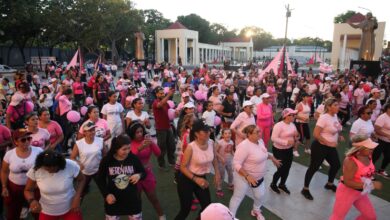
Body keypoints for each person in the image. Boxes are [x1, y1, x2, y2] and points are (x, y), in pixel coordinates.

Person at [229, 125, 281, 220]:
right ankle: (230, 217)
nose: (259, 134)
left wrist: (273, 158)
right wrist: (247, 176)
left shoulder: (260, 142)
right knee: (237, 197)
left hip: (258, 177)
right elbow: (236, 163)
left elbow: (263, 154)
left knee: (260, 195)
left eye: (259, 131)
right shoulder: (244, 146)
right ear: (249, 134)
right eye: (257, 132)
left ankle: (256, 210)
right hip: (243, 177)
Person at [175, 119, 220, 220]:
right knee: (185, 210)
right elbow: (182, 167)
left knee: (207, 207)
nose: (208, 133)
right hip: (186, 180)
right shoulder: (191, 147)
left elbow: (215, 159)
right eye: (205, 131)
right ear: (196, 134)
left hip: (201, 177)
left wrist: (217, 173)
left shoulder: (211, 143)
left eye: (208, 130)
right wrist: (196, 179)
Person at [329, 135, 381, 220]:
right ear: (360, 148)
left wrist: (370, 180)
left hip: (361, 193)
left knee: (370, 217)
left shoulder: (369, 156)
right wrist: (371, 184)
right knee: (337, 217)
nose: (372, 150)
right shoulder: (350, 161)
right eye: (369, 148)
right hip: (346, 193)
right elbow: (348, 182)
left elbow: (367, 171)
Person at [96, 134, 146, 220]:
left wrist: (139, 175)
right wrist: (106, 194)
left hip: (132, 200)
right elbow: (100, 179)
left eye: (129, 148)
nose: (127, 152)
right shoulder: (107, 160)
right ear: (116, 149)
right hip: (113, 201)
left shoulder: (133, 158)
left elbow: (144, 173)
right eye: (124, 149)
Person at [24, 150, 85, 220]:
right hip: (47, 210)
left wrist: (77, 197)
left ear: (60, 164)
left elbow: (82, 179)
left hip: (71, 207)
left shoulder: (70, 165)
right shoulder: (36, 169)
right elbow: (28, 190)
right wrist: (32, 201)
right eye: (47, 168)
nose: (50, 170)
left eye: (54, 167)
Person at [302, 98, 343, 200]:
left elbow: (336, 127)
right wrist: (329, 142)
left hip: (330, 147)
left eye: (338, 105)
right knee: (314, 167)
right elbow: (316, 134)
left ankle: (329, 184)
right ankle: (305, 189)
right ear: (329, 107)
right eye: (336, 105)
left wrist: (339, 135)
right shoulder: (324, 117)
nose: (338, 107)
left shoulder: (335, 116)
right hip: (320, 146)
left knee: (336, 164)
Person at [1, 129, 42, 220]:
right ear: (16, 142)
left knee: (38, 211)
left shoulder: (39, 151)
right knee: (13, 212)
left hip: (34, 188)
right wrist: (4, 186)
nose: (27, 141)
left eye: (29, 138)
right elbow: (4, 171)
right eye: (23, 140)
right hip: (15, 188)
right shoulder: (9, 154)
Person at [128, 123, 166, 220]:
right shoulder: (129, 143)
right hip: (133, 174)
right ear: (132, 133)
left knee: (153, 197)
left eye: (141, 131)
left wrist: (152, 143)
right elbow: (129, 159)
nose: (140, 134)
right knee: (137, 199)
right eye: (137, 132)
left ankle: (161, 216)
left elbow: (158, 153)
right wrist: (139, 148)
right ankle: (137, 216)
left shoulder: (147, 141)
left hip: (147, 173)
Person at [70, 122, 105, 200]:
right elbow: (72, 157)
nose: (92, 132)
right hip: (84, 173)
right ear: (84, 132)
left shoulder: (100, 140)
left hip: (98, 171)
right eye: (89, 130)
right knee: (80, 193)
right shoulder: (79, 143)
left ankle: (109, 208)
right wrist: (78, 163)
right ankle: (77, 207)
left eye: (93, 130)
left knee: (104, 191)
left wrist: (103, 167)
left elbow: (105, 156)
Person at [270, 108, 299, 195]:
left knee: (287, 168)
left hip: (289, 150)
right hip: (279, 150)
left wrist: (296, 137)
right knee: (281, 169)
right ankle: (273, 184)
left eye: (294, 115)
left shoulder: (292, 125)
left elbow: (295, 135)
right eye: (293, 115)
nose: (294, 116)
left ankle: (282, 184)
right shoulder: (278, 125)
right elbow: (273, 138)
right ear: (287, 116)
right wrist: (286, 142)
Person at [152, 87, 176, 169]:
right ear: (156, 94)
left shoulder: (166, 103)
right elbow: (159, 105)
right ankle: (161, 164)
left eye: (163, 93)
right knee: (162, 148)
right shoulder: (155, 102)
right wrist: (168, 95)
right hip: (160, 128)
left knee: (172, 146)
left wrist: (176, 112)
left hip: (168, 127)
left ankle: (171, 161)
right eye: (160, 93)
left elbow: (170, 113)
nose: (162, 94)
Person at [215, 128, 235, 197]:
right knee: (221, 176)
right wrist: (221, 158)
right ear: (223, 135)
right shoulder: (220, 142)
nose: (228, 135)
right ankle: (219, 188)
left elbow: (231, 151)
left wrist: (235, 156)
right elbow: (215, 152)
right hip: (221, 162)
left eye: (229, 133)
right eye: (225, 133)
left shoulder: (231, 142)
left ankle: (230, 184)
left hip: (229, 161)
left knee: (231, 173)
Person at [373, 103, 390, 178]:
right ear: (387, 109)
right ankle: (368, 170)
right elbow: (377, 130)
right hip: (380, 140)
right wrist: (387, 135)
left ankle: (381, 170)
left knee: (388, 157)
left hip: (388, 142)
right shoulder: (382, 117)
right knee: (375, 156)